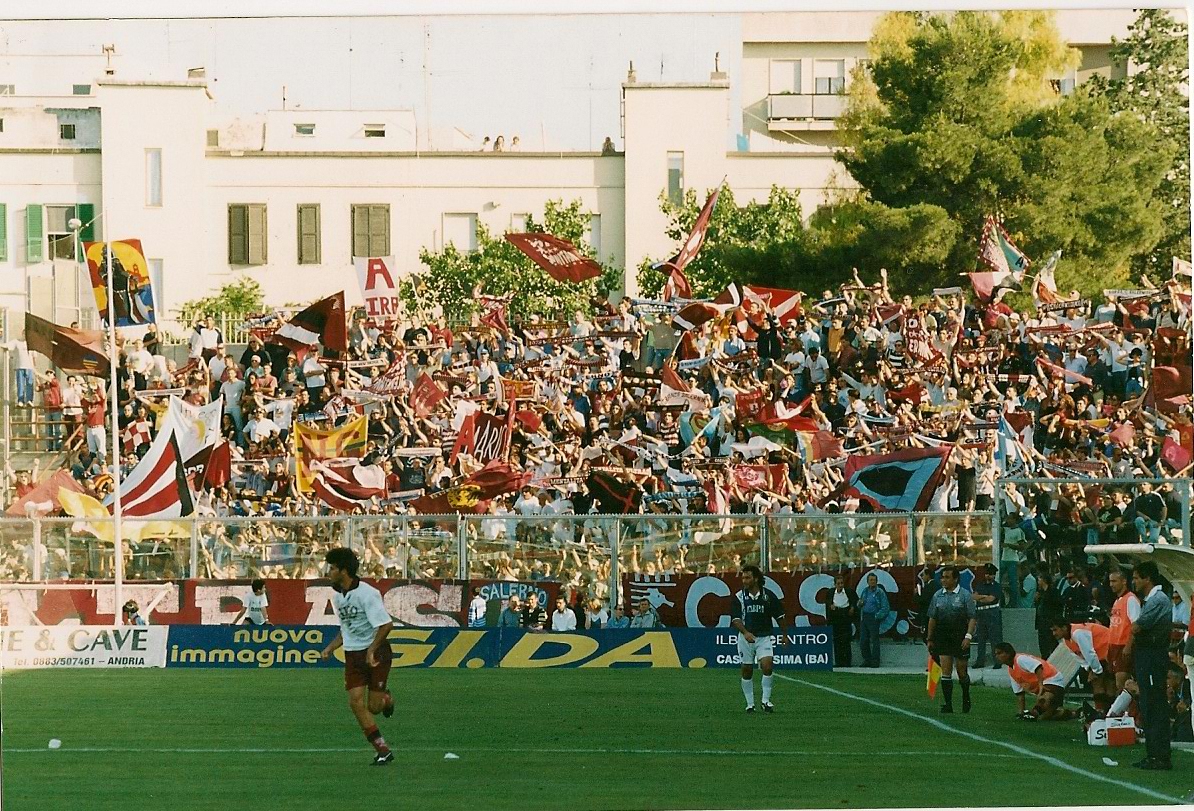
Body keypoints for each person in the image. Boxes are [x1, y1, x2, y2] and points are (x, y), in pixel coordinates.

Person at [318, 548, 396, 766]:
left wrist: (372, 649)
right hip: (352, 655)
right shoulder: (337, 597)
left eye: (332, 568)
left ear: (344, 571)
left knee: (375, 707)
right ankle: (382, 749)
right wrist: (330, 648)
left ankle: (386, 698)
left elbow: (386, 625)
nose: (329, 572)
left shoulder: (367, 593)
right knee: (355, 702)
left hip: (376, 653)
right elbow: (347, 629)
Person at [1130, 560, 1173, 770]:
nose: (1134, 581)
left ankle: (1159, 755)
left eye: (1137, 577)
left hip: (1152, 655)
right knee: (1149, 703)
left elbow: (1138, 627)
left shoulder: (1158, 599)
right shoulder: (1151, 599)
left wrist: (1135, 629)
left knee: (1154, 703)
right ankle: (1155, 753)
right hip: (1149, 655)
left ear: (1148, 578)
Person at [731, 565, 786, 713]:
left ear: (756, 578)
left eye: (747, 577)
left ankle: (766, 701)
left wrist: (784, 634)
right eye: (743, 577)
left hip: (764, 637)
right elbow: (735, 619)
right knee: (747, 670)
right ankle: (750, 704)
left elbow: (780, 616)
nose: (744, 580)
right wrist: (745, 632)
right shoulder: (739, 597)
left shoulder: (768, 596)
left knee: (768, 666)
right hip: (745, 638)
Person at [926, 565, 977, 714]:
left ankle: (966, 698)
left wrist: (968, 636)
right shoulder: (937, 595)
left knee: (962, 671)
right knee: (946, 671)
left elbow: (972, 617)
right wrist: (930, 638)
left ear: (955, 579)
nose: (943, 580)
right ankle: (948, 704)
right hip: (943, 637)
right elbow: (932, 618)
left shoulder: (964, 595)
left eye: (947, 577)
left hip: (960, 636)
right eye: (942, 577)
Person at [993, 642, 1075, 721]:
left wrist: (1040, 685)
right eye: (996, 654)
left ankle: (1034, 713)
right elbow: (1019, 693)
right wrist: (1021, 711)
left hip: (1053, 679)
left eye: (999, 653)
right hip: (1046, 684)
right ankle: (1075, 713)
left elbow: (1038, 667)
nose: (997, 656)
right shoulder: (1011, 670)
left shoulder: (1020, 659)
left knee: (1045, 698)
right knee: (1046, 717)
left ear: (1008, 653)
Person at [1050, 620, 1114, 715]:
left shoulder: (1078, 633)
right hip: (1101, 654)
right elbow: (1078, 657)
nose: (1054, 633)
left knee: (1106, 683)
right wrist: (1089, 669)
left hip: (1109, 649)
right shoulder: (1067, 640)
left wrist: (1096, 671)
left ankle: (1106, 711)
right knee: (1101, 683)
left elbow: (1089, 652)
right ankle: (1105, 711)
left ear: (1064, 627)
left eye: (1055, 630)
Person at [1107, 566, 1141, 694]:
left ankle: (1128, 711)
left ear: (1124, 581)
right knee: (1115, 684)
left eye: (1114, 581)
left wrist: (1128, 646)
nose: (1111, 585)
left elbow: (1136, 625)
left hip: (1123, 646)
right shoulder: (1117, 600)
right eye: (1110, 581)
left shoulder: (1131, 599)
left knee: (1122, 683)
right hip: (1114, 646)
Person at [970, 563, 1003, 669]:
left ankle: (997, 661)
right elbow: (973, 596)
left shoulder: (997, 586)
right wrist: (984, 596)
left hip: (992, 613)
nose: (988, 576)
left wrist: (981, 597)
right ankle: (980, 661)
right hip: (981, 614)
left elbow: (991, 599)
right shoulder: (980, 584)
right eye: (987, 574)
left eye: (991, 574)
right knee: (981, 638)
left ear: (994, 575)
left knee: (995, 639)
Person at [823, 573, 856, 667]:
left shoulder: (849, 592)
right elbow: (828, 603)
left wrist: (852, 608)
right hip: (836, 618)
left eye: (842, 583)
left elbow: (854, 601)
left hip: (845, 617)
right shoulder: (831, 592)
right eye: (838, 583)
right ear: (835, 584)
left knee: (846, 641)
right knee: (837, 642)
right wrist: (830, 606)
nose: (840, 585)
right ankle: (839, 662)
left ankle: (847, 662)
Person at [858, 573, 890, 668]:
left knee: (875, 640)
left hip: (873, 617)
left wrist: (877, 616)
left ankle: (875, 661)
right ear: (867, 581)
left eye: (874, 580)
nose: (872, 582)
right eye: (871, 580)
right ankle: (867, 659)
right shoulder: (865, 591)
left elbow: (885, 606)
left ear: (877, 581)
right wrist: (859, 604)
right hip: (865, 617)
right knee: (863, 640)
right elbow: (860, 603)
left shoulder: (879, 592)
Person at [1034, 572, 1063, 657]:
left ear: (1044, 580)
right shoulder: (1041, 593)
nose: (1038, 582)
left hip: (1050, 621)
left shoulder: (1053, 592)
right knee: (1043, 646)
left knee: (1052, 644)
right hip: (1041, 623)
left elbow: (1058, 606)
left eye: (1039, 579)